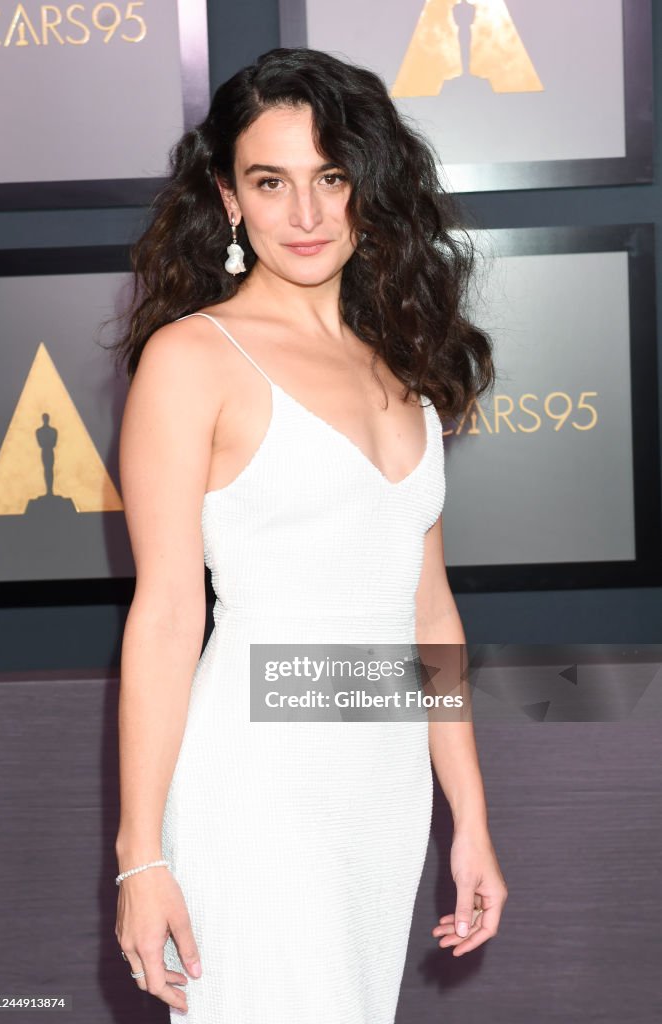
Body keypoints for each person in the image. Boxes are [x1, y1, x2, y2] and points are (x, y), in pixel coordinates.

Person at [110, 46, 507, 1023]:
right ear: (229, 198)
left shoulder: (402, 360)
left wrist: (469, 818)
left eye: (331, 179)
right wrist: (140, 854)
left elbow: (425, 608)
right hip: (260, 781)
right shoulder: (193, 357)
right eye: (270, 181)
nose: (306, 213)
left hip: (376, 789)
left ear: (366, 188)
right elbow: (165, 616)